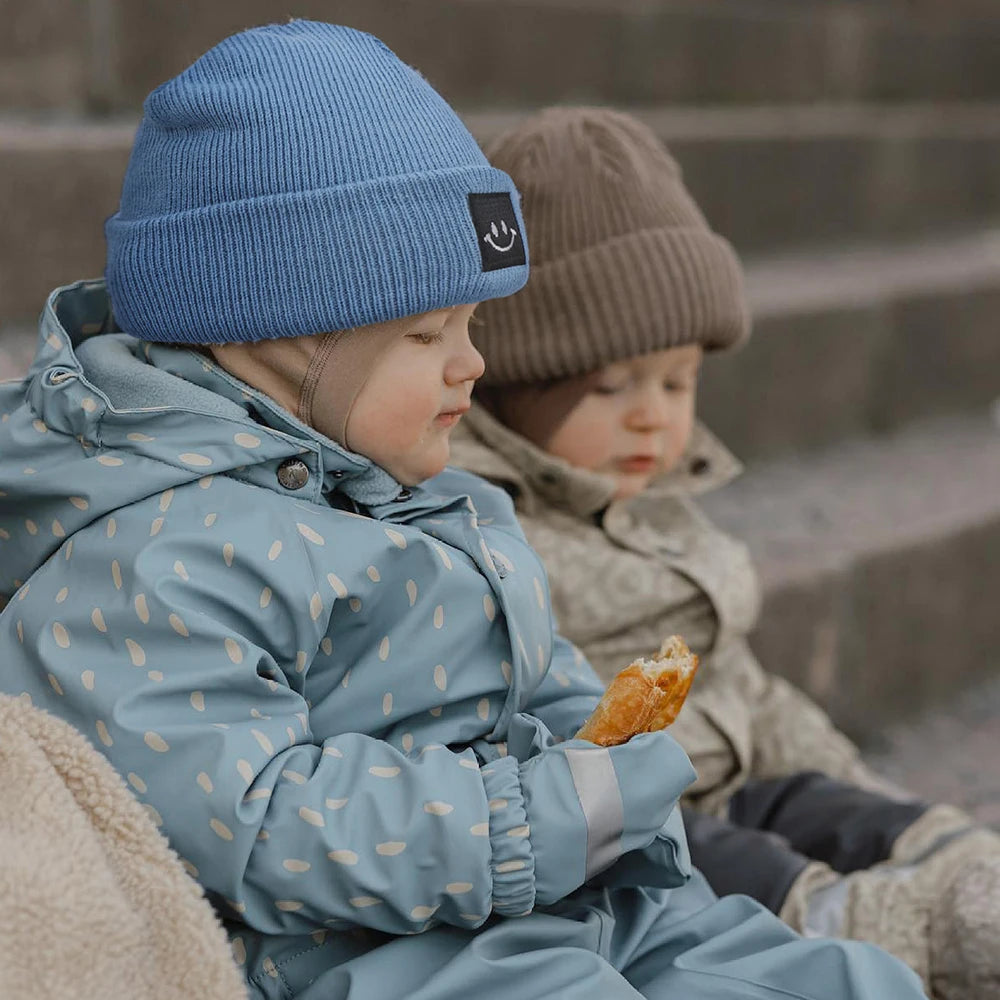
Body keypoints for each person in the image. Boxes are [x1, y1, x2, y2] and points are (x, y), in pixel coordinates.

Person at [0, 23, 929, 1000]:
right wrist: (537, 818)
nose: (471, 363)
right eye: (424, 331)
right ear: (272, 340)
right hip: (383, 951)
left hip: (571, 897)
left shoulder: (412, 486)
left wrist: (599, 745)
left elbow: (535, 670)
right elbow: (254, 822)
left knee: (851, 981)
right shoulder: (152, 554)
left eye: (473, 322)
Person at [448, 105, 1000, 1000]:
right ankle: (890, 934)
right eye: (610, 385)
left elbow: (742, 684)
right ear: (513, 385)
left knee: (855, 811)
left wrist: (844, 782)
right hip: (639, 824)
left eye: (679, 382)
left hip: (738, 774)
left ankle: (962, 881)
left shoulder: (662, 514)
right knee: (751, 867)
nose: (652, 416)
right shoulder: (497, 538)